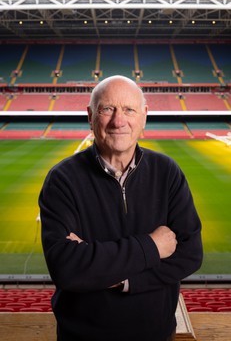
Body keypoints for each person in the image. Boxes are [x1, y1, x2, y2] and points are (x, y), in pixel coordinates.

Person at [39, 75, 203, 341]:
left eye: (129, 109)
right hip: (82, 336)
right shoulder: (62, 180)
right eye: (107, 109)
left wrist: (118, 279)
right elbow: (67, 269)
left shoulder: (167, 172)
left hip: (156, 334)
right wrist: (152, 247)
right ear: (90, 116)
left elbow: (191, 253)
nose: (118, 121)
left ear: (144, 116)